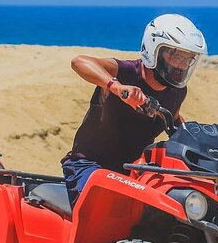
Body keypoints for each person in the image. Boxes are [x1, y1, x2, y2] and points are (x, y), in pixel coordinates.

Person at [63, 14, 208, 207]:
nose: (180, 64)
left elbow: (172, 119)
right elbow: (79, 61)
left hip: (134, 170)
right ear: (153, 49)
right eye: (175, 56)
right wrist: (116, 87)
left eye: (187, 59)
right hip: (90, 166)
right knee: (109, 207)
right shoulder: (125, 72)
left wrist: (194, 138)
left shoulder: (177, 92)